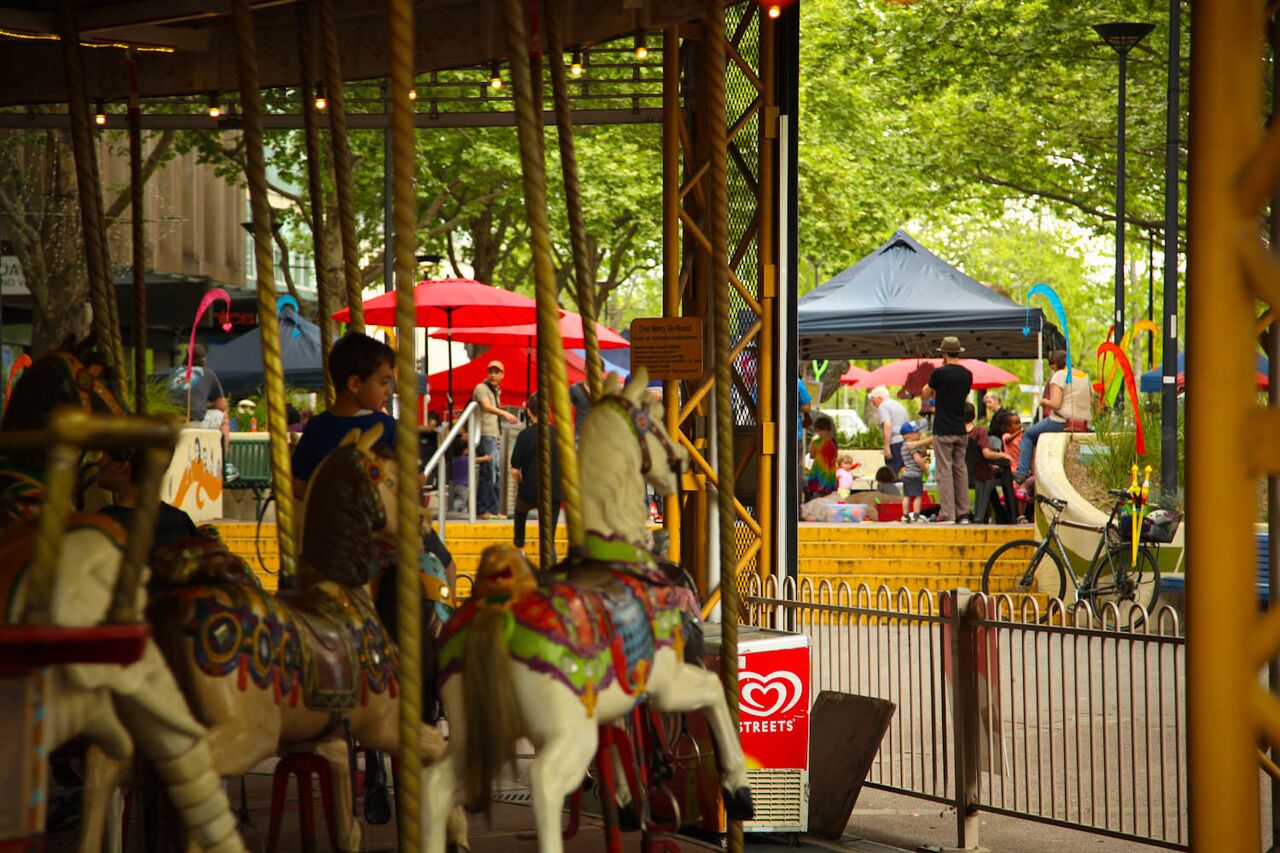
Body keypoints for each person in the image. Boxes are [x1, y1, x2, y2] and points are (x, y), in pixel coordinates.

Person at [95, 447, 199, 566]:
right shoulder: (180, 520)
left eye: (103, 456)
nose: (99, 462)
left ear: (123, 467)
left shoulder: (100, 524)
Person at [1014, 349, 1092, 483]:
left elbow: (1056, 404)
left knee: (1028, 435)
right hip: (1084, 424)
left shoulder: (1060, 375)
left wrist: (1045, 402)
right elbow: (1093, 400)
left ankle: (1022, 471)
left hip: (1061, 421)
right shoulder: (1085, 377)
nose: (1053, 371)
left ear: (1057, 364)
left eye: (1053, 368)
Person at [920, 336, 973, 523]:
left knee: (944, 471)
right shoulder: (967, 374)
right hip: (960, 428)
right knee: (960, 470)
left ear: (943, 353)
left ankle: (948, 513)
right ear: (959, 352)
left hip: (943, 428)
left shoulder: (939, 373)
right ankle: (963, 513)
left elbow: (925, 392)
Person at [168, 343, 235, 481]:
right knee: (224, 417)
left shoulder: (175, 373)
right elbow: (222, 406)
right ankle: (224, 464)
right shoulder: (208, 374)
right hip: (193, 421)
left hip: (172, 422)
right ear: (204, 359)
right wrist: (208, 406)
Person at [510, 393, 562, 558]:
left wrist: (519, 485)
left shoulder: (524, 435)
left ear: (528, 411)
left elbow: (515, 471)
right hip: (553, 492)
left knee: (520, 511)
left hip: (530, 490)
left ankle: (519, 546)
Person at [472, 360, 519, 520]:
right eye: (491, 372)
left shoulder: (495, 391)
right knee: (488, 472)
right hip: (485, 434)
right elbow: (485, 407)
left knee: (495, 473)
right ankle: (482, 509)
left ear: (502, 375)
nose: (493, 375)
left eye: (496, 372)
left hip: (493, 435)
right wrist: (505, 413)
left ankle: (492, 509)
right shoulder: (481, 388)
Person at [964, 402, 1015, 523]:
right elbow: (986, 454)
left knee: (989, 483)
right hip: (981, 473)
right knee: (1001, 473)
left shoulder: (957, 433)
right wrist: (1003, 455)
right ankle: (1011, 515)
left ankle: (999, 513)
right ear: (973, 415)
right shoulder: (979, 431)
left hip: (963, 475)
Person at [868, 385, 909, 472]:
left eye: (873, 400)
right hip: (905, 442)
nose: (873, 404)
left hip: (894, 443)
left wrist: (886, 447)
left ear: (879, 398)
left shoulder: (883, 406)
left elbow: (887, 425)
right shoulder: (898, 405)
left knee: (892, 472)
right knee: (903, 470)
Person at [899, 422, 929, 523]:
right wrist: (925, 469)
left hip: (907, 474)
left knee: (907, 495)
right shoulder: (912, 445)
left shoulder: (903, 446)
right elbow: (917, 460)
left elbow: (911, 460)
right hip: (915, 474)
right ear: (908, 435)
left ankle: (905, 515)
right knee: (917, 496)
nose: (919, 433)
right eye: (916, 432)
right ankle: (916, 515)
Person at [805, 414, 838, 499]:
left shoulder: (816, 442)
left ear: (816, 429)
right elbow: (835, 456)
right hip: (830, 473)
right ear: (830, 429)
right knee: (828, 496)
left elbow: (812, 456)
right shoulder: (833, 443)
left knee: (818, 496)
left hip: (818, 473)